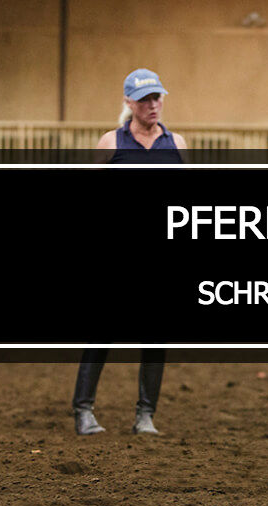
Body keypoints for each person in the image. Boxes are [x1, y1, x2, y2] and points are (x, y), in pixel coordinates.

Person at [72, 68, 185, 435]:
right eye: (144, 99)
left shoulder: (176, 144)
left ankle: (145, 415)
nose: (152, 105)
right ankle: (83, 410)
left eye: (156, 97)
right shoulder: (112, 142)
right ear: (129, 103)